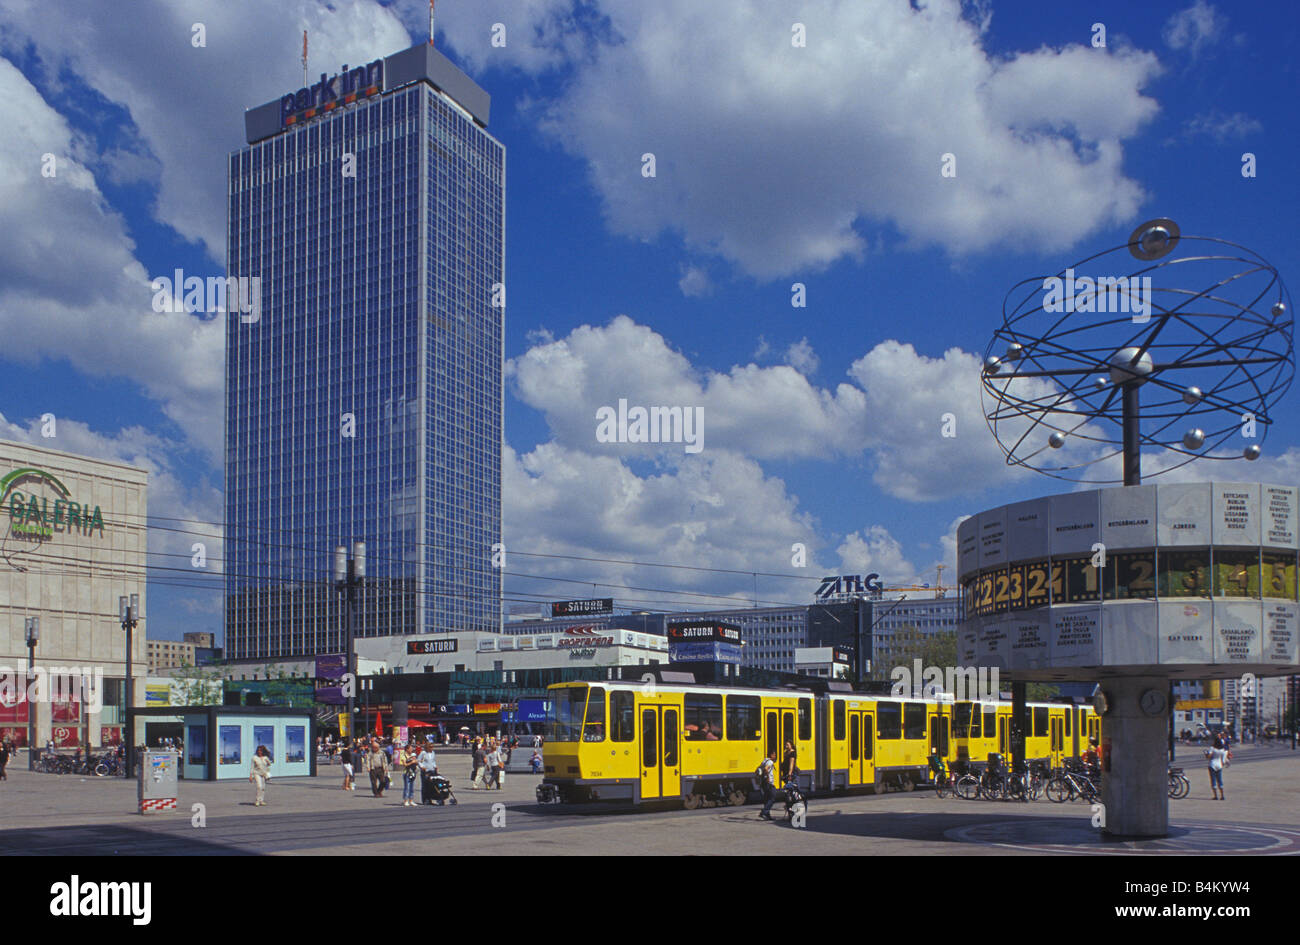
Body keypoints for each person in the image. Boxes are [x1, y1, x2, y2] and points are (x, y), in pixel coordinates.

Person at [1205, 736, 1229, 800]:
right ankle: (1222, 795)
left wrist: (1206, 754)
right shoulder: (1222, 749)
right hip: (1219, 765)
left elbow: (1209, 757)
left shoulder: (1212, 748)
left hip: (1212, 764)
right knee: (1220, 780)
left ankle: (1215, 796)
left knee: (1213, 780)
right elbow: (1224, 758)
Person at [757, 750, 778, 820]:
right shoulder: (770, 762)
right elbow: (766, 769)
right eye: (774, 755)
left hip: (763, 782)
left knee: (766, 798)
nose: (775, 756)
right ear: (771, 755)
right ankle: (764, 812)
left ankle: (767, 815)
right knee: (773, 796)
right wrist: (768, 777)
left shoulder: (764, 761)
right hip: (768, 782)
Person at [399, 743, 419, 807]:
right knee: (407, 787)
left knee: (412, 787)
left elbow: (417, 761)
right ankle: (405, 800)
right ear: (407, 749)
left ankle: (411, 800)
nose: (412, 750)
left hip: (413, 772)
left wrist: (416, 762)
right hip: (407, 773)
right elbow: (405, 764)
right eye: (410, 749)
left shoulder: (412, 755)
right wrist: (411, 762)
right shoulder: (403, 755)